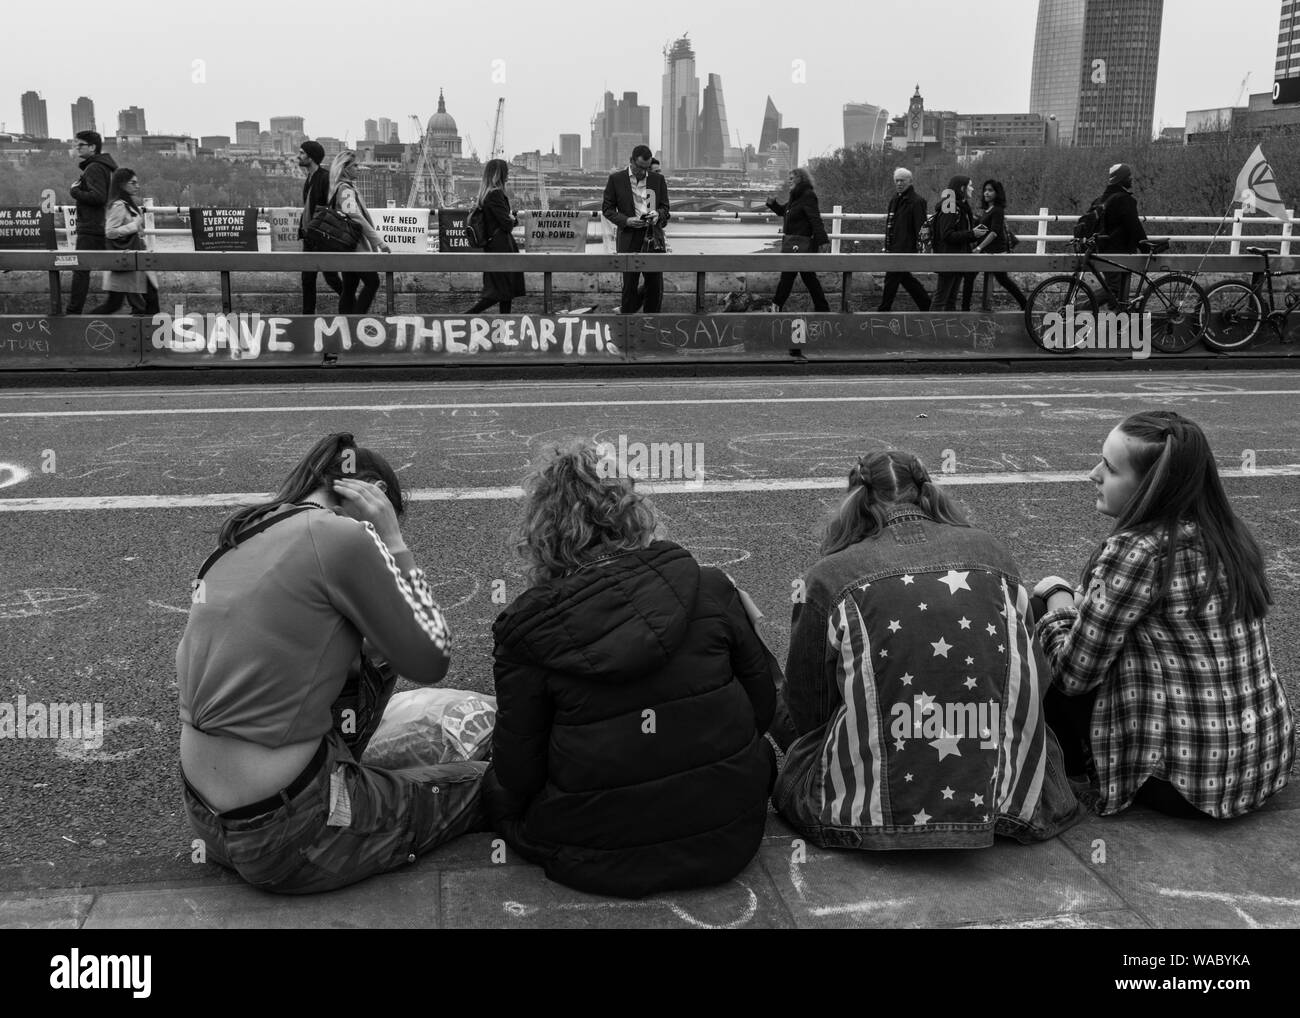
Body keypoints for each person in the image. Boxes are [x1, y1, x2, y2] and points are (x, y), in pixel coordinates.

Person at [178, 432, 488, 893]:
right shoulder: (343, 535)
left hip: (209, 822)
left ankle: (348, 780)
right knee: (490, 781)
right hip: (293, 837)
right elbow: (432, 655)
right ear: (374, 495)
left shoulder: (240, 535)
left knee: (351, 644)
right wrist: (393, 541)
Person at [485, 439, 777, 898]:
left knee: (492, 789)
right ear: (632, 512)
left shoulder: (528, 626)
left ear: (543, 532)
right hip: (729, 837)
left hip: (593, 856)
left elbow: (518, 773)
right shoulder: (709, 586)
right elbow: (763, 710)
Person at [775, 450, 1084, 849]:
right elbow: (1035, 682)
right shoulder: (993, 553)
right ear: (925, 492)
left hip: (862, 813)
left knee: (767, 679)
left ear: (855, 501)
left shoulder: (828, 576)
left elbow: (809, 708)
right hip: (1005, 801)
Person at [1034, 411, 1294, 820]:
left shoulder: (1137, 550)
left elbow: (1074, 674)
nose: (1092, 474)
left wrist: (1055, 599)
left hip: (1182, 784)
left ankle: (1066, 777)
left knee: (1048, 606)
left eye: (1110, 468)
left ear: (1150, 488)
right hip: (1261, 764)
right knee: (1088, 619)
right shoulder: (1228, 536)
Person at [602, 144, 670, 314]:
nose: (643, 172)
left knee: (654, 286)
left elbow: (665, 209)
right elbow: (607, 210)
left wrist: (657, 214)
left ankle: (650, 325)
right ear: (631, 161)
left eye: (646, 168)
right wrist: (626, 221)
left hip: (652, 237)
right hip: (629, 236)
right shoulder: (616, 179)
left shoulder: (657, 180)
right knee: (629, 285)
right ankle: (626, 325)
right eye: (640, 167)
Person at [328, 150, 390, 314]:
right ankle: (357, 321)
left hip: (347, 247)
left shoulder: (341, 188)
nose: (359, 168)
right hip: (355, 247)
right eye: (355, 165)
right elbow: (355, 216)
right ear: (345, 169)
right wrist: (379, 242)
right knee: (372, 282)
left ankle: (346, 325)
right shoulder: (345, 189)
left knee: (349, 287)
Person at [94, 168, 160, 317]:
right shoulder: (119, 205)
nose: (137, 186)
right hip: (128, 260)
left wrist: (136, 227)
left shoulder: (126, 203)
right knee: (144, 301)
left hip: (134, 259)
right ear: (122, 184)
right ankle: (82, 326)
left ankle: (84, 325)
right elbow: (110, 232)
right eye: (133, 183)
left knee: (116, 304)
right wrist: (134, 226)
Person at [764, 166, 831, 312]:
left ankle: (776, 307)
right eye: (788, 178)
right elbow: (784, 211)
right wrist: (772, 204)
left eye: (792, 178)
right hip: (794, 245)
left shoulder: (807, 195)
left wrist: (823, 240)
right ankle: (822, 308)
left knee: (790, 278)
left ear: (801, 178)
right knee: (806, 278)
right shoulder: (795, 196)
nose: (789, 181)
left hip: (801, 245)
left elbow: (815, 219)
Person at [65, 131, 117, 315]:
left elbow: (98, 197)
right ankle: (120, 305)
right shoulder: (104, 166)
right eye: (75, 144)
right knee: (118, 265)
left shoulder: (94, 167)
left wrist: (75, 192)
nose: (76, 148)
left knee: (81, 269)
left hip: (91, 227)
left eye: (80, 145)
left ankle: (73, 311)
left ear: (93, 147)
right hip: (102, 225)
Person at [465, 158, 525, 314]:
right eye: (507, 172)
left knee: (505, 292)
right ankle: (466, 317)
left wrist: (510, 219)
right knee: (499, 291)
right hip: (501, 248)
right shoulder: (496, 194)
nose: (509, 175)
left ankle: (505, 327)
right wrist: (513, 219)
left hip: (495, 246)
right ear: (500, 174)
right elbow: (506, 224)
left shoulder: (487, 194)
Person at [1090, 162, 1148, 308]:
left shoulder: (1100, 200)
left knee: (1118, 293)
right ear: (1122, 179)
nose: (1132, 179)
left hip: (1100, 251)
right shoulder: (1124, 200)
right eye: (1129, 176)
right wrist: (1147, 249)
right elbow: (1135, 228)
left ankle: (1116, 324)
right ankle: (1074, 309)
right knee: (1115, 290)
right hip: (1119, 253)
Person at [297, 140, 342, 314]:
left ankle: (353, 305)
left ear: (311, 156)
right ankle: (307, 316)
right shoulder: (310, 178)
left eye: (302, 153)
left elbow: (330, 206)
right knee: (307, 279)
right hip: (310, 237)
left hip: (321, 238)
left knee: (331, 278)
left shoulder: (324, 177)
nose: (298, 156)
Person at [878, 168, 931, 312]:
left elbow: (921, 227)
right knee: (905, 279)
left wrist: (921, 250)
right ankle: (927, 305)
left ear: (910, 181)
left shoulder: (917, 201)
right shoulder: (895, 199)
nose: (899, 183)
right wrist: (887, 246)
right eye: (897, 180)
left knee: (892, 278)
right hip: (894, 247)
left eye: (902, 180)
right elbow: (891, 225)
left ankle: (883, 310)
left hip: (905, 248)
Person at [973, 179, 1027, 311]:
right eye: (985, 190)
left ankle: (1025, 304)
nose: (986, 193)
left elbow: (994, 232)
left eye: (990, 190)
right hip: (987, 252)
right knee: (1003, 279)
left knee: (1002, 280)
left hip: (996, 252)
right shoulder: (987, 210)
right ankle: (1024, 303)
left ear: (997, 193)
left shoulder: (997, 210)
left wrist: (979, 248)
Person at [932, 175, 979, 312]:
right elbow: (946, 234)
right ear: (962, 188)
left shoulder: (960, 206)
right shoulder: (950, 206)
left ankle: (948, 330)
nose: (972, 188)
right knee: (941, 299)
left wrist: (972, 234)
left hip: (958, 258)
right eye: (970, 185)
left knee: (950, 300)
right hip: (949, 259)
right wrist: (972, 234)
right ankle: (930, 329)